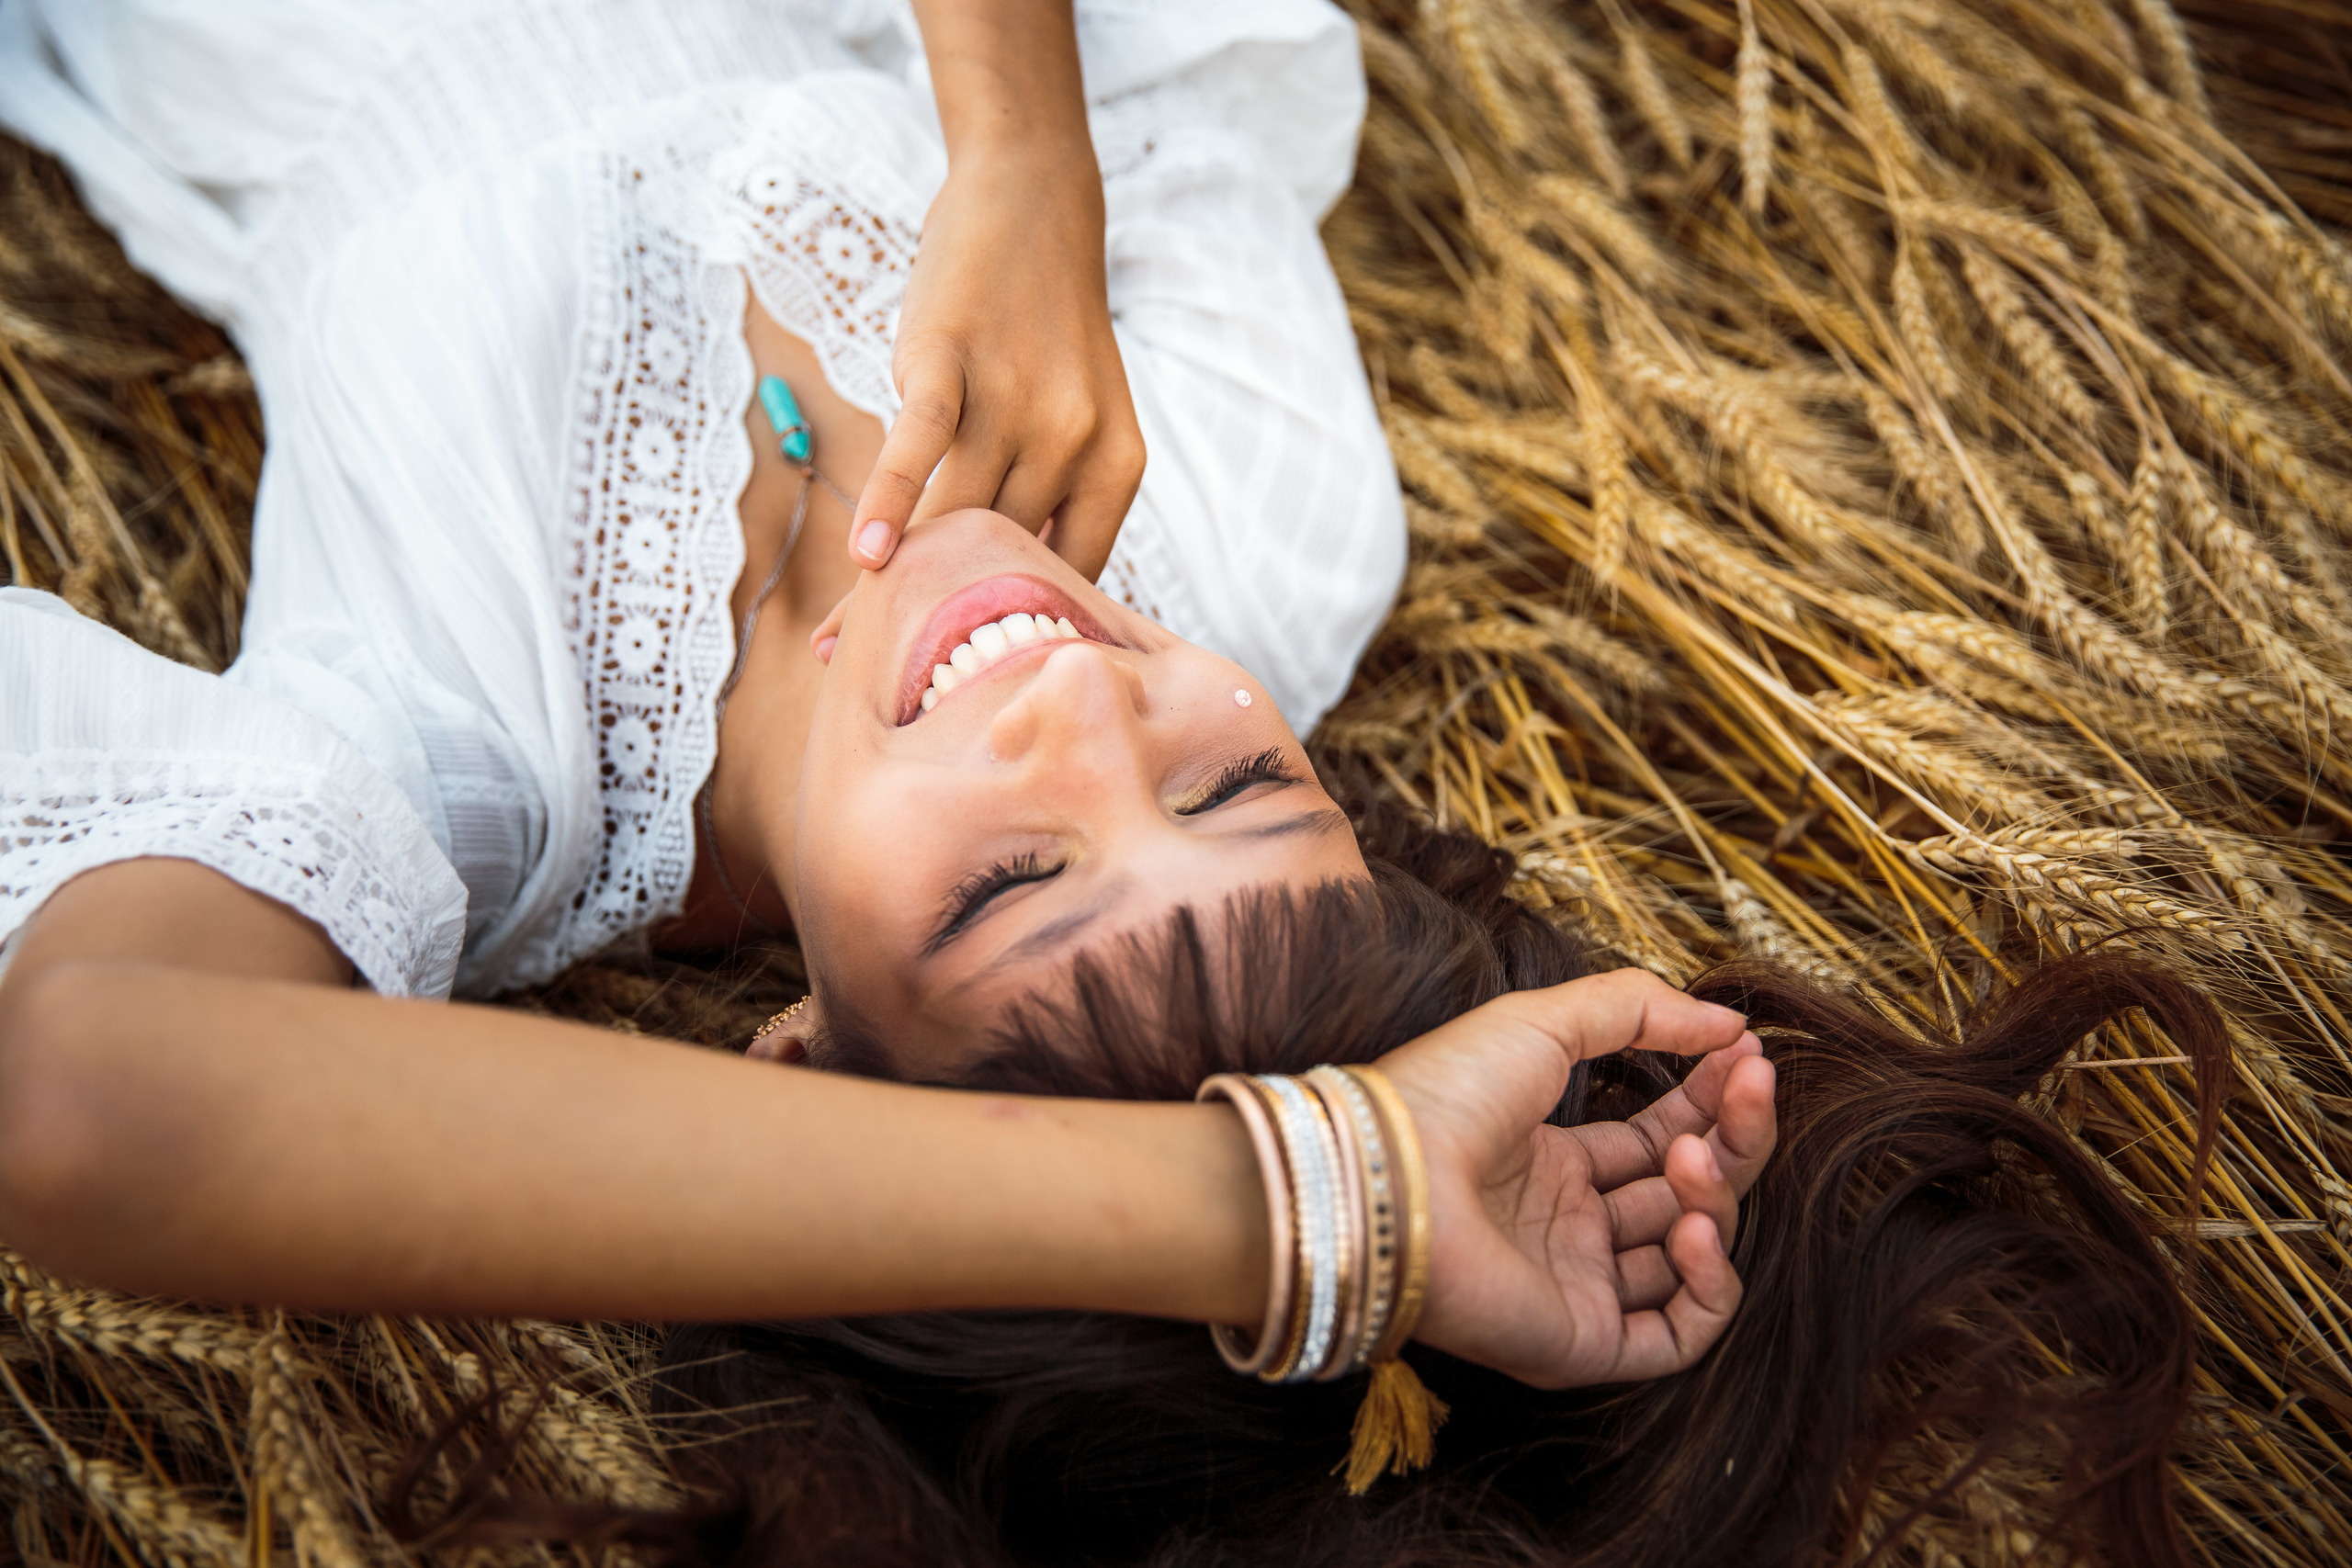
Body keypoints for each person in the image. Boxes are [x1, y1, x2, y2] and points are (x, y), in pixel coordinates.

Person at [0, 0, 1763, 1442]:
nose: (1079, 698)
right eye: (1236, 782)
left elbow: (76, 1090)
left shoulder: (466, 759)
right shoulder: (1261, 521)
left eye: (1007, 889)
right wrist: (1021, 137)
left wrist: (1291, 1215)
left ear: (807, 1062)